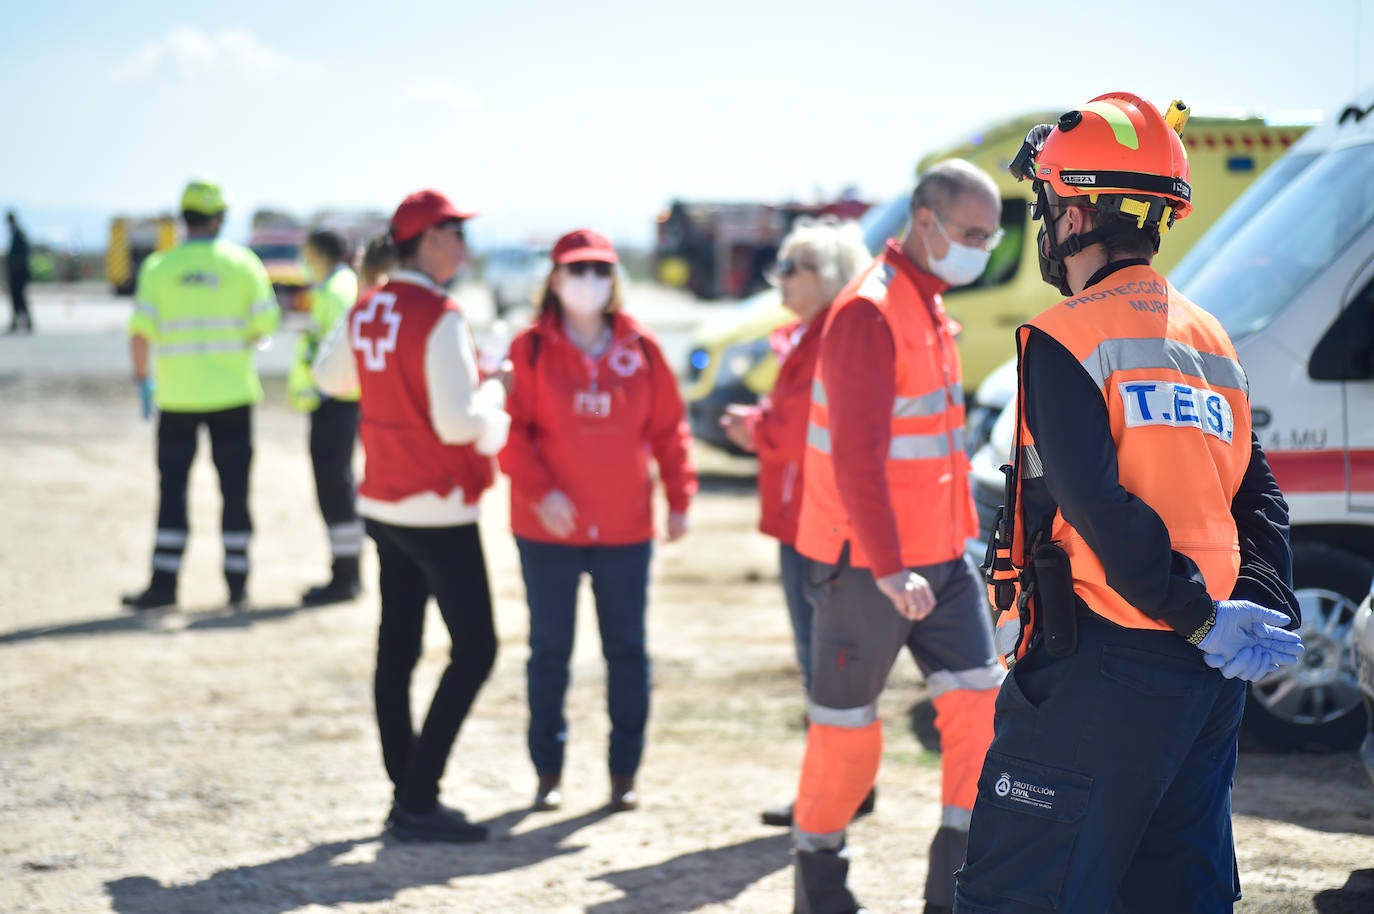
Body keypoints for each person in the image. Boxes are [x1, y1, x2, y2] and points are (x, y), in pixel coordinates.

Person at [954, 93, 1305, 914]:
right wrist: (1253, 606)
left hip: (1104, 666)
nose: (1043, 224)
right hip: (1210, 678)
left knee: (1024, 891)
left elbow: (1099, 506)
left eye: (1045, 204)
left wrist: (1192, 613)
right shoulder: (1210, 337)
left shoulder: (1066, 336)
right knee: (1177, 890)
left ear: (1075, 215)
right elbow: (1259, 495)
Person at [790, 159, 1008, 914]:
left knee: (982, 714)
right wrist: (887, 568)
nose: (983, 248)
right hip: (867, 571)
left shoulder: (929, 307)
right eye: (973, 233)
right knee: (847, 739)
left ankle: (954, 894)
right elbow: (856, 459)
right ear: (925, 222)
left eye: (992, 235)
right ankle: (820, 888)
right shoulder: (868, 312)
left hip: (945, 562)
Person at [312, 189, 509, 843]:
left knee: (396, 650)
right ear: (428, 239)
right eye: (457, 234)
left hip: (384, 502)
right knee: (475, 649)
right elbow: (459, 425)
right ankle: (418, 797)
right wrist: (495, 400)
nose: (466, 247)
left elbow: (330, 379)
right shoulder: (439, 312)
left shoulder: (371, 305)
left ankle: (408, 791)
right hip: (436, 503)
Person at [499, 228, 697, 813]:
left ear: (614, 280)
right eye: (575, 269)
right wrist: (541, 492)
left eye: (599, 269)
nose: (588, 280)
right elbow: (510, 432)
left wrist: (680, 497)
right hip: (547, 532)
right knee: (550, 651)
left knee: (627, 651)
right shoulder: (530, 348)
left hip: (624, 529)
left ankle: (623, 774)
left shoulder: (642, 347)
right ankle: (548, 774)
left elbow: (669, 430)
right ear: (554, 279)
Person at [716, 218, 875, 826]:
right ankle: (845, 787)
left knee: (824, 663)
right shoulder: (819, 334)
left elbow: (803, 430)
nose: (776, 275)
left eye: (792, 266)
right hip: (810, 520)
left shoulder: (828, 337)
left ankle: (836, 791)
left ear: (829, 276)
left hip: (819, 523)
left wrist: (753, 428)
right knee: (826, 662)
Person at [122, 180, 281, 611]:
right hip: (232, 396)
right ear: (219, 218)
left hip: (175, 399)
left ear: (183, 218)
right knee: (235, 491)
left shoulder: (159, 267)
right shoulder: (243, 264)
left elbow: (140, 333)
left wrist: (143, 380)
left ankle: (164, 585)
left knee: (172, 490)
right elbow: (265, 324)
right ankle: (237, 584)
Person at [289, 229, 364, 605]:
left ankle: (346, 575)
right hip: (336, 401)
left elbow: (338, 354)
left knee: (335, 489)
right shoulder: (339, 287)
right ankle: (346, 571)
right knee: (339, 487)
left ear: (318, 254)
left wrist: (321, 388)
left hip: (336, 402)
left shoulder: (335, 293)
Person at [6, 210, 33, 333]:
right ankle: (17, 322)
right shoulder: (15, 234)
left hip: (19, 274)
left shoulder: (19, 234)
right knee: (15, 298)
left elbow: (25, 253)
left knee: (19, 297)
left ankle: (27, 322)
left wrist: (17, 264)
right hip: (15, 273)